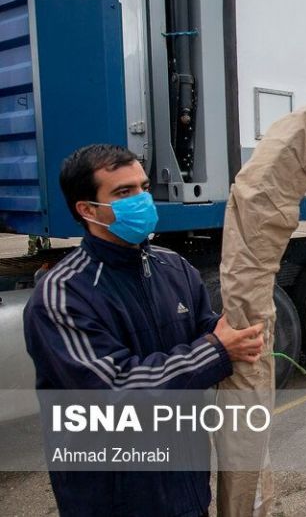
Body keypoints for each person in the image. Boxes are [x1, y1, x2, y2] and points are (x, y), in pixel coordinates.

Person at [23, 144, 265, 517]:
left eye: (144, 187)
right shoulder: (63, 294)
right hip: (116, 498)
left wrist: (235, 338)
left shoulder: (174, 267)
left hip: (185, 488)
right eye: (123, 192)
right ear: (88, 210)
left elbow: (206, 329)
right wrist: (216, 350)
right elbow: (114, 393)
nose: (142, 200)